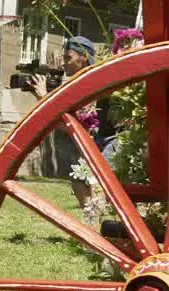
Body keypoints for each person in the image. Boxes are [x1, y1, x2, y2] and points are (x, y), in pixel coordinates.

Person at [25, 36, 115, 210]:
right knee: (78, 179)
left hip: (112, 140)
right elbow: (68, 127)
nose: (64, 63)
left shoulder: (95, 80)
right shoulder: (79, 83)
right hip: (96, 141)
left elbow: (79, 127)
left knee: (93, 180)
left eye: (68, 58)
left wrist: (45, 98)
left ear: (83, 57)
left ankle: (96, 223)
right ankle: (92, 224)